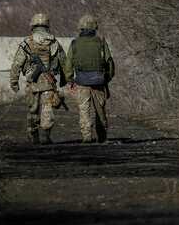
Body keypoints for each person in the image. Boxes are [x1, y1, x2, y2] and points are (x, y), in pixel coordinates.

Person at [9, 13, 67, 145]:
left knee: (32, 109)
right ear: (47, 25)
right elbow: (64, 62)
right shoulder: (53, 42)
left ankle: (33, 137)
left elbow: (17, 64)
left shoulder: (26, 42)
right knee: (47, 108)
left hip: (32, 83)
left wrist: (14, 82)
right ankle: (45, 136)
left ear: (33, 25)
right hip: (48, 82)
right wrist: (66, 80)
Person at [64, 14, 115, 143]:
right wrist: (106, 79)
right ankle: (102, 138)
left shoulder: (75, 43)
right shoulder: (101, 42)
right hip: (99, 81)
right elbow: (109, 62)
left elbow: (68, 64)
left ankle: (87, 137)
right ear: (95, 28)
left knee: (84, 110)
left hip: (81, 81)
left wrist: (70, 80)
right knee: (100, 110)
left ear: (80, 28)